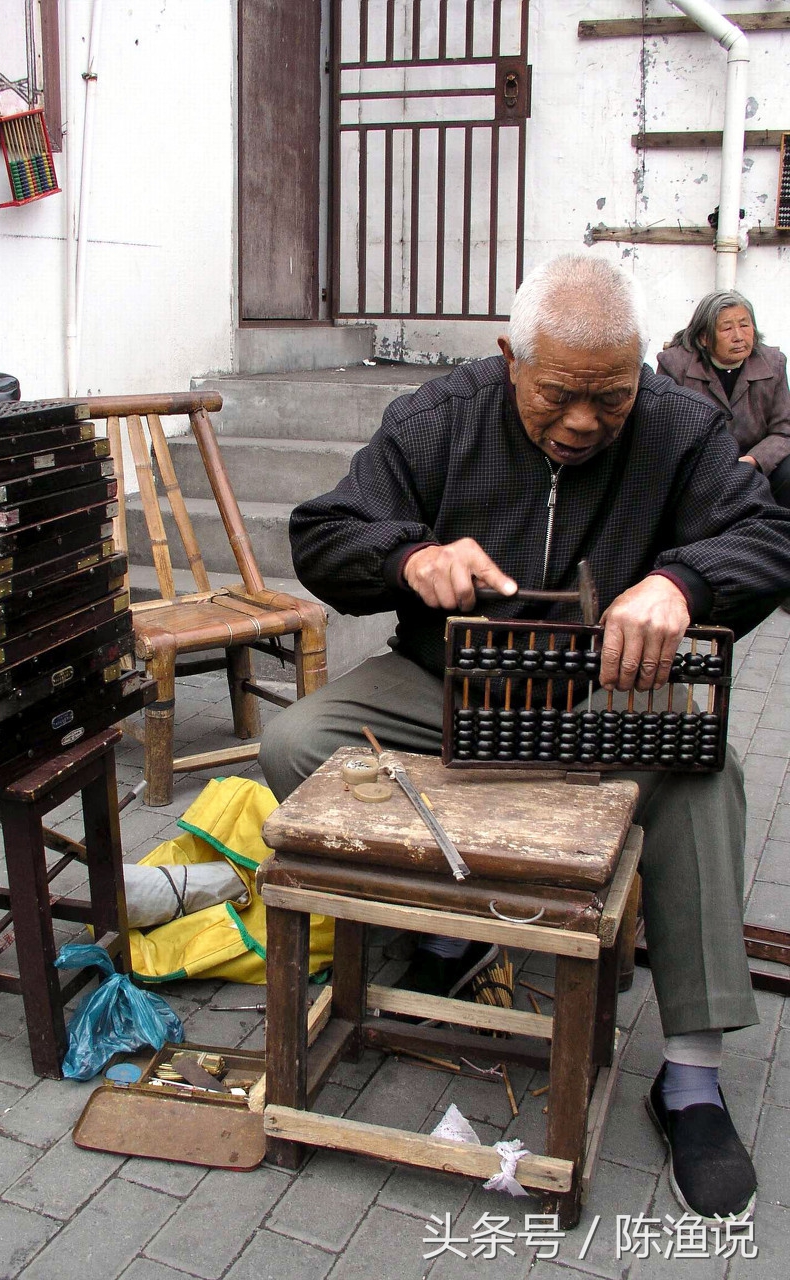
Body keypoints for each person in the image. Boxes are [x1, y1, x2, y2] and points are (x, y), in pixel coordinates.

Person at [259, 253, 790, 1224]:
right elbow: (323, 530)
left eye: (611, 396)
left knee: (703, 766)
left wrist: (683, 585)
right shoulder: (440, 417)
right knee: (302, 738)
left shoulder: (681, 425)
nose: (585, 421)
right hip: (447, 687)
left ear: (641, 368)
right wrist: (410, 556)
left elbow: (768, 536)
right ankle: (437, 933)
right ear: (511, 358)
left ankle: (692, 1079)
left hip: (600, 705)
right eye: (559, 395)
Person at [657, 290, 790, 507]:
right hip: (697, 465)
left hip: (754, 463)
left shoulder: (773, 363)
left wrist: (753, 460)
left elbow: (784, 431)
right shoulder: (674, 365)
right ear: (704, 338)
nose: (739, 336)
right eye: (727, 328)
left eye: (745, 325)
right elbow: (664, 430)